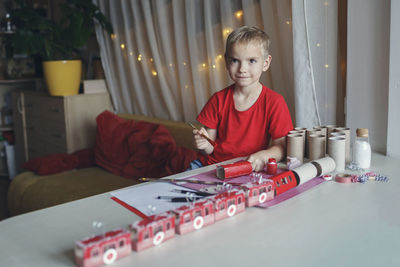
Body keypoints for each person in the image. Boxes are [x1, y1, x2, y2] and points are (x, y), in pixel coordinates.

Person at [191, 26, 293, 172]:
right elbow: (209, 149)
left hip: (249, 168)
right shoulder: (217, 100)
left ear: (265, 63)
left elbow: (281, 147)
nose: (242, 69)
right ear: (226, 62)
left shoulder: (274, 102)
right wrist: (203, 144)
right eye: (235, 60)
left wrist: (263, 156)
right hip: (212, 167)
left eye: (251, 61)